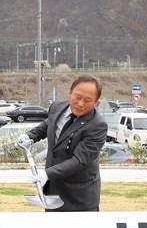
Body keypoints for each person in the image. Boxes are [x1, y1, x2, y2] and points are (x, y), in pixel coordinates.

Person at [18, 73, 108, 212]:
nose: (80, 104)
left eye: (88, 100)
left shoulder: (97, 126)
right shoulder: (57, 107)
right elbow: (49, 124)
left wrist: (47, 174)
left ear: (96, 102)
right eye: (77, 97)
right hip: (52, 193)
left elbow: (79, 161)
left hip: (79, 199)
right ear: (70, 93)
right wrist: (30, 136)